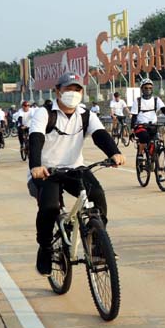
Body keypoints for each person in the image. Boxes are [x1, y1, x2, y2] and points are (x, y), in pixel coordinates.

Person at [28, 72, 124, 276]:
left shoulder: (85, 114)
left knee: (97, 196)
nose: (73, 93)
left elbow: (100, 135)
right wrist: (36, 166)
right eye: (68, 89)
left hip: (75, 168)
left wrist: (114, 152)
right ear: (58, 91)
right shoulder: (44, 113)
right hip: (47, 172)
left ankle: (97, 245)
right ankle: (45, 248)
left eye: (77, 89)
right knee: (50, 207)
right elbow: (35, 138)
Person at [131, 78, 165, 168]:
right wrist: (132, 129)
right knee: (144, 136)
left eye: (150, 88)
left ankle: (156, 168)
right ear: (142, 89)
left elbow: (163, 109)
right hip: (141, 126)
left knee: (157, 143)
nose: (148, 90)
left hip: (153, 125)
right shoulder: (138, 101)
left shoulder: (156, 100)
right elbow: (134, 116)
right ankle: (140, 154)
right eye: (146, 88)